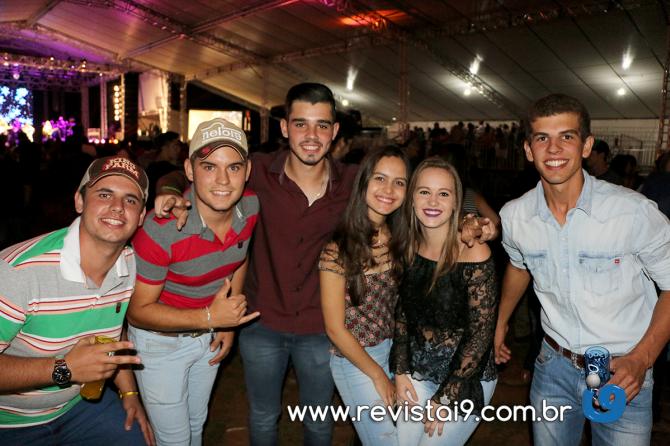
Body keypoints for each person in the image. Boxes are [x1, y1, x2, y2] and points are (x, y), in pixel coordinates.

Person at [494, 93, 670, 445]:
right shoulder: (515, 216)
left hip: (622, 370)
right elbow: (520, 266)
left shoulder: (632, 212)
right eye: (542, 138)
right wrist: (500, 322)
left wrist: (641, 359)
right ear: (528, 150)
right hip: (553, 368)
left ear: (586, 145)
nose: (553, 149)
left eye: (567, 136)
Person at [0, 156, 155, 445]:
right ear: (79, 201)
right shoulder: (18, 271)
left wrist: (130, 393)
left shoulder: (129, 262)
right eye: (104, 194)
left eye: (130, 200)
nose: (118, 207)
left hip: (78, 408)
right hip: (10, 423)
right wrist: (65, 368)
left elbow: (112, 333)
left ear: (141, 216)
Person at [126, 118, 260, 446]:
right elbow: (137, 312)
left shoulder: (250, 206)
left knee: (196, 424)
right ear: (189, 169)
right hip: (160, 345)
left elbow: (240, 256)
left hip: (208, 336)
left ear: (247, 170)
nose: (223, 180)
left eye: (233, 167)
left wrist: (226, 322)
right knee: (174, 439)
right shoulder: (162, 229)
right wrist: (213, 318)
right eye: (209, 167)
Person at [391, 157, 498, 445]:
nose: (433, 201)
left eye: (444, 193)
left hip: (465, 377)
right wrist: (400, 371)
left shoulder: (473, 251)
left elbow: (480, 335)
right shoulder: (409, 245)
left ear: (456, 203)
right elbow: (402, 314)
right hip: (418, 371)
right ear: (412, 198)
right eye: (424, 191)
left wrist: (447, 396)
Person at [319, 146, 410, 445]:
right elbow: (335, 329)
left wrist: (472, 224)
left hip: (394, 352)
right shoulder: (337, 250)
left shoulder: (401, 237)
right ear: (364, 182)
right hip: (354, 359)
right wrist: (377, 375)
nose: (389, 190)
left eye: (399, 182)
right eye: (380, 178)